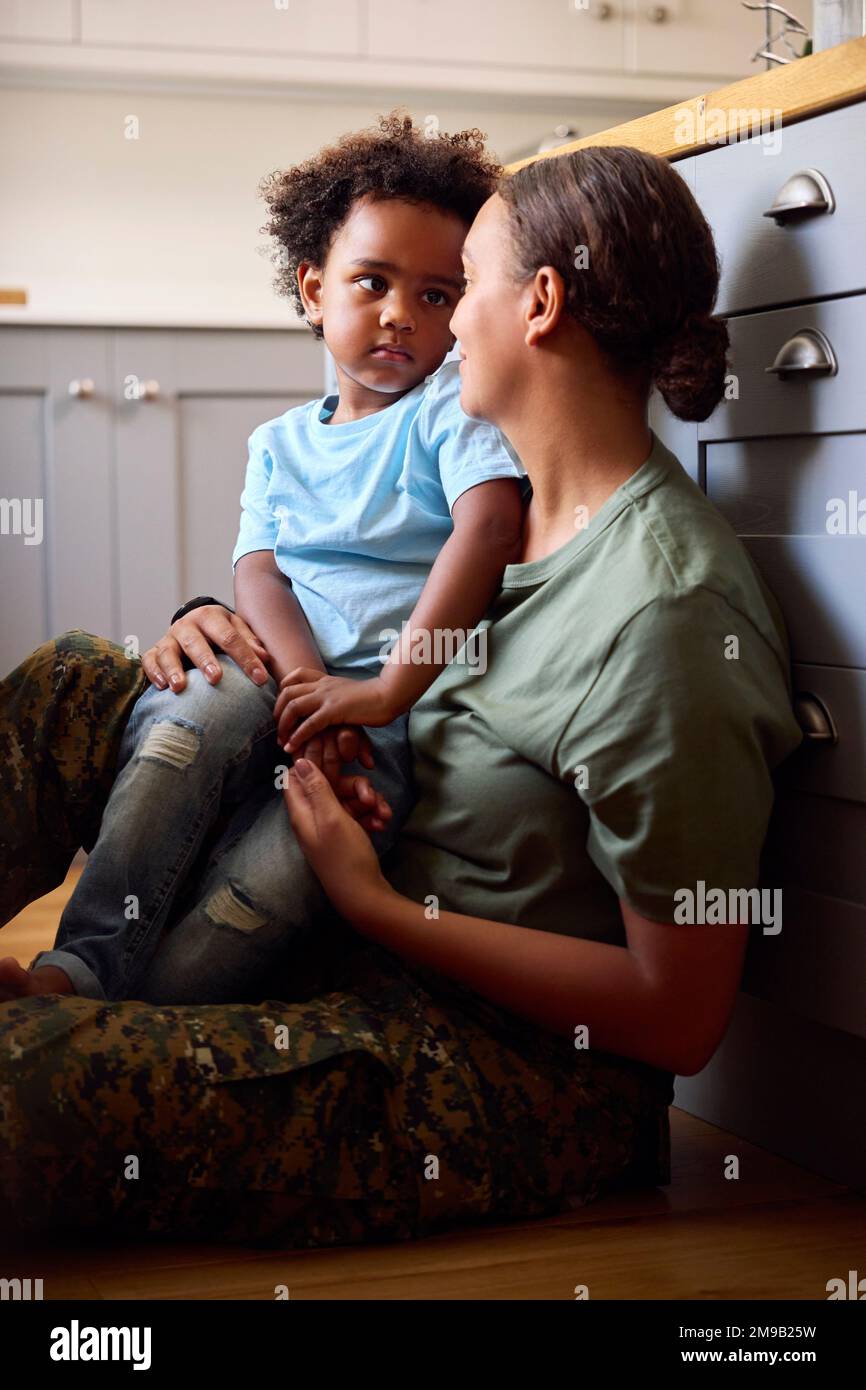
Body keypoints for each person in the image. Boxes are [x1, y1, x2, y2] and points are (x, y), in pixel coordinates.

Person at [0, 143, 803, 1248]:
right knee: (75, 680)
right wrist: (219, 626)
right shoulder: (489, 499)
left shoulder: (663, 616)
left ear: (537, 304)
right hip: (352, 915)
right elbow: (330, 589)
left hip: (486, 1062)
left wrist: (383, 909)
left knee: (21, 1079)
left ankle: (101, 1003)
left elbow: (680, 1014)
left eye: (457, 284)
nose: (433, 322)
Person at [0, 113, 525, 1005]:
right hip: (284, 687)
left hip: (382, 728)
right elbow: (260, 572)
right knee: (188, 723)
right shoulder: (278, 443)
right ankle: (80, 964)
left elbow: (488, 528)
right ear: (315, 290)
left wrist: (380, 693)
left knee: (276, 879)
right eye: (373, 283)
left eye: (438, 295)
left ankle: (125, 1026)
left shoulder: (452, 415)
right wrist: (311, 687)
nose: (402, 313)